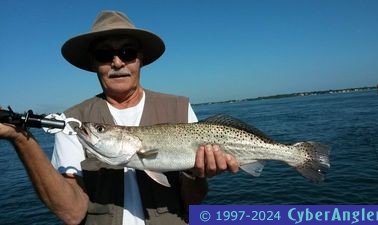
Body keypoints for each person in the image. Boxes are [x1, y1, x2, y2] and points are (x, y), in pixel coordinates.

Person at [0, 10, 239, 225]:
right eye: (104, 55)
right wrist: (20, 138)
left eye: (127, 52)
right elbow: (72, 214)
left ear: (140, 58)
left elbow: (193, 205)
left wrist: (197, 175)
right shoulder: (74, 122)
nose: (117, 62)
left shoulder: (179, 107)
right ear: (93, 63)